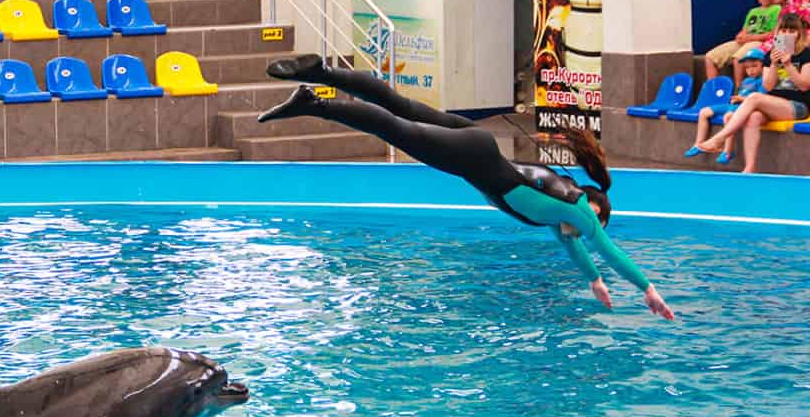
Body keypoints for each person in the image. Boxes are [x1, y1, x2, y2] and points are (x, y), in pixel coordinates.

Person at [260, 54, 675, 319]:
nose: (586, 232)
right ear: (594, 208)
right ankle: (314, 102)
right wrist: (648, 290)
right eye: (594, 223)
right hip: (475, 158)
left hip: (477, 146)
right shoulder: (579, 210)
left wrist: (594, 282)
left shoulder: (560, 214)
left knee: (400, 107)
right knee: (399, 128)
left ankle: (322, 72)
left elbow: (579, 251)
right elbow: (608, 249)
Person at [693, 14, 810, 172]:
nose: (787, 34)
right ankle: (749, 168)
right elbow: (768, 86)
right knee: (753, 118)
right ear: (778, 33)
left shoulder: (806, 54)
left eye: (792, 30)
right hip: (773, 104)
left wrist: (788, 64)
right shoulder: (772, 55)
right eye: (783, 30)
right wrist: (775, 64)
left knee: (754, 97)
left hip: (798, 106)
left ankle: (719, 139)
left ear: (799, 33)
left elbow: (804, 86)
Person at [685, 48, 769, 165]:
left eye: (754, 66)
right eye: (747, 68)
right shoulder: (746, 81)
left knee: (728, 117)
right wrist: (736, 98)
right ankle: (698, 143)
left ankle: (727, 151)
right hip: (733, 105)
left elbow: (761, 99)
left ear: (763, 65)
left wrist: (741, 99)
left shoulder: (764, 81)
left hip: (744, 108)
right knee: (704, 112)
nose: (750, 70)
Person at [703, 0, 781, 84]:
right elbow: (745, 30)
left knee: (738, 58)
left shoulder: (777, 9)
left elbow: (773, 34)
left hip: (760, 42)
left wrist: (750, 38)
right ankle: (712, 90)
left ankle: (739, 90)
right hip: (745, 41)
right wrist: (740, 36)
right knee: (710, 57)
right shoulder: (753, 11)